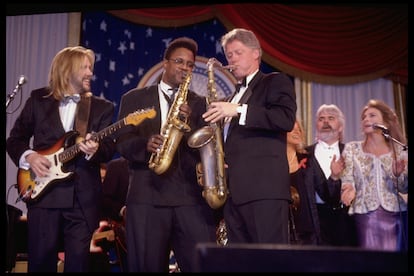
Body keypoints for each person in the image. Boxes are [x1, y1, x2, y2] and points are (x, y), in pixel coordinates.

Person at [6, 46, 116, 272]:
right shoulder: (38, 99)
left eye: (90, 68)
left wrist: (94, 148)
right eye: (84, 67)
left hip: (82, 200)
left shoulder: (103, 108)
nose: (90, 73)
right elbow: (15, 139)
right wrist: (31, 156)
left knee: (78, 266)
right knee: (40, 265)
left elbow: (109, 150)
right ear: (67, 70)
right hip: (43, 197)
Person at [115, 37, 218, 272]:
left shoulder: (200, 104)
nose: (184, 67)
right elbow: (121, 142)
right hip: (147, 199)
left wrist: (191, 122)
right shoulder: (133, 98)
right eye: (179, 61)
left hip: (191, 201)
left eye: (190, 64)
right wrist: (145, 145)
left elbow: (208, 145)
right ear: (165, 63)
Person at [202, 28, 297, 244]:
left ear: (256, 53)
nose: (231, 59)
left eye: (238, 52)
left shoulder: (274, 81)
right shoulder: (233, 95)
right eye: (228, 55)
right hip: (233, 193)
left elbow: (285, 118)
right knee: (241, 262)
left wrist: (238, 110)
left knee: (270, 261)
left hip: (264, 191)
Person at [340, 99, 408, 252]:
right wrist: (348, 189)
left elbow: (404, 188)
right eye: (364, 117)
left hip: (397, 215)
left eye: (372, 115)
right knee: (371, 261)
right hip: (365, 214)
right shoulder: (352, 148)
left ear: (386, 122)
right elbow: (347, 178)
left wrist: (397, 175)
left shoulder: (399, 150)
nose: (367, 119)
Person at [304, 104, 357, 246]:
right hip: (316, 220)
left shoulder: (351, 151)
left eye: (331, 118)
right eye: (321, 119)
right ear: (316, 125)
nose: (325, 122)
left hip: (347, 218)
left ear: (340, 127)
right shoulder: (304, 154)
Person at [286, 119, 316, 245]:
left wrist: (335, 177)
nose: (297, 132)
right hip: (282, 228)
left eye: (299, 130)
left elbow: (323, 188)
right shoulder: (273, 162)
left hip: (306, 230)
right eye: (293, 129)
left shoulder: (307, 159)